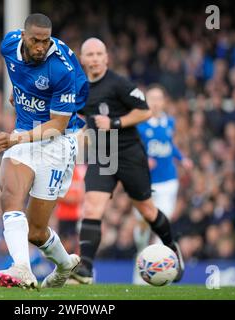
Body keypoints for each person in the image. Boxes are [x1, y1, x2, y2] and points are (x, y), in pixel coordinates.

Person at [69, 38, 184, 285]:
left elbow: (145, 111)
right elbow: (80, 113)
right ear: (82, 59)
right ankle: (85, 270)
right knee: (92, 207)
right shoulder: (79, 87)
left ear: (107, 58)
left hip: (130, 155)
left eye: (100, 54)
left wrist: (115, 123)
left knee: (147, 211)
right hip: (102, 156)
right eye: (90, 54)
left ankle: (173, 248)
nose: (95, 58)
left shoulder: (119, 83)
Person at [0, 13, 88, 289]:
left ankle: (65, 264)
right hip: (24, 132)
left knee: (36, 231)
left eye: (45, 41)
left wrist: (14, 140)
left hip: (56, 141)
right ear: (23, 36)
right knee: (10, 196)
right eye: (35, 40)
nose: (41, 46)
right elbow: (17, 73)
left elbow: (57, 124)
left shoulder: (61, 69)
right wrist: (19, 92)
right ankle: (21, 268)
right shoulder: (8, 45)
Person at [134, 84, 193, 252]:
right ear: (146, 101)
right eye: (152, 98)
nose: (156, 102)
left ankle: (156, 263)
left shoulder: (170, 122)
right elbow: (131, 150)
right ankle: (141, 249)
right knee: (143, 225)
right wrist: (144, 159)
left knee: (163, 223)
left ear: (164, 102)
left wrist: (182, 159)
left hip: (168, 181)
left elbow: (170, 145)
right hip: (146, 183)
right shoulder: (139, 124)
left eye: (159, 99)